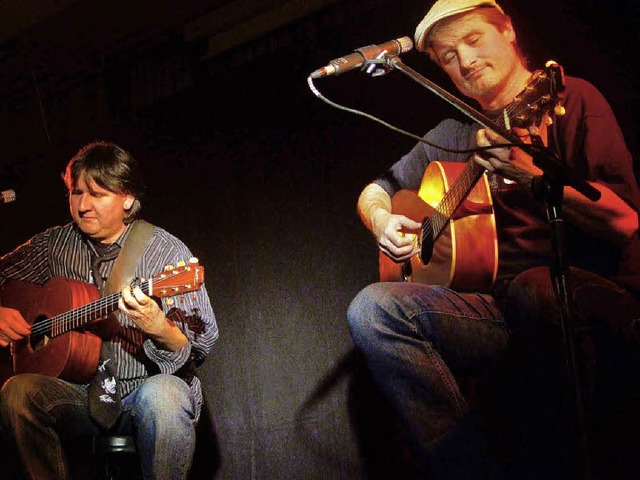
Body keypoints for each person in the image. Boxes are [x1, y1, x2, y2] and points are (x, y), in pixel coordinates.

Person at [346, 0, 640, 478]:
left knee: (536, 287)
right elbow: (376, 190)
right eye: (447, 56)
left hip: (580, 293)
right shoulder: (451, 133)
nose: (463, 61)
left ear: (508, 31)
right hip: (497, 312)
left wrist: (531, 177)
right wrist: (381, 220)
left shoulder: (567, 98)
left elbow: (625, 222)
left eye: (473, 39)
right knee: (372, 309)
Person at [0, 141, 219, 480]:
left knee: (166, 395)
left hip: (141, 391)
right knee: (18, 392)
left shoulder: (163, 251)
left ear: (127, 198)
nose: (83, 206)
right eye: (76, 193)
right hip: (80, 393)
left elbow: (200, 344)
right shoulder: (55, 244)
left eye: (97, 195)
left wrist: (159, 327)